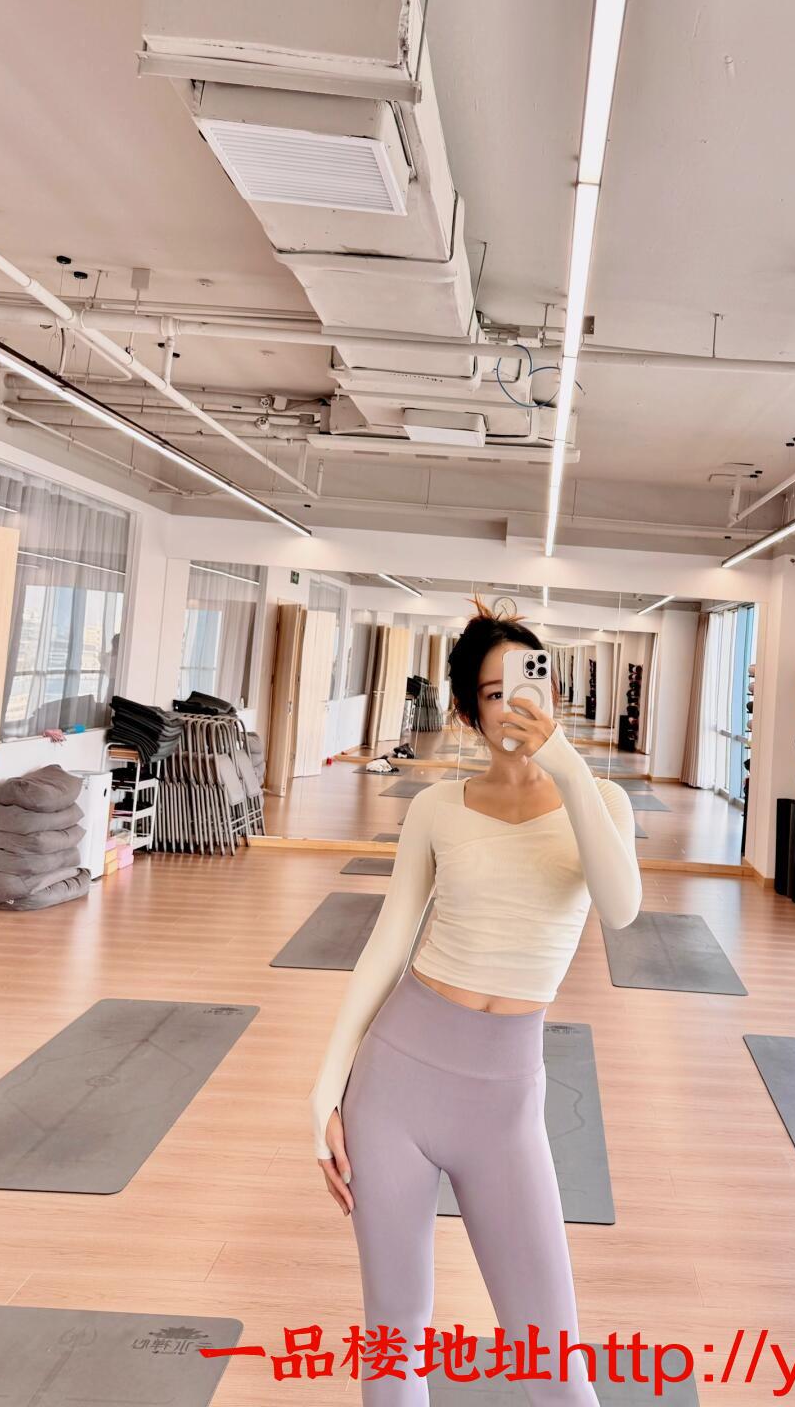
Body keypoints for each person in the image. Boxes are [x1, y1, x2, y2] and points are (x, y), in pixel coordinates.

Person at [309, 596, 643, 1407]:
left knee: (550, 1356)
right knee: (395, 1334)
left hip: (505, 1102)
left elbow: (622, 907)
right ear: (467, 712)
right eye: (494, 694)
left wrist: (567, 765)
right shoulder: (436, 809)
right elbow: (387, 945)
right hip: (395, 1085)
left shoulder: (603, 803)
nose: (516, 705)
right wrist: (324, 1091)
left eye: (530, 683)